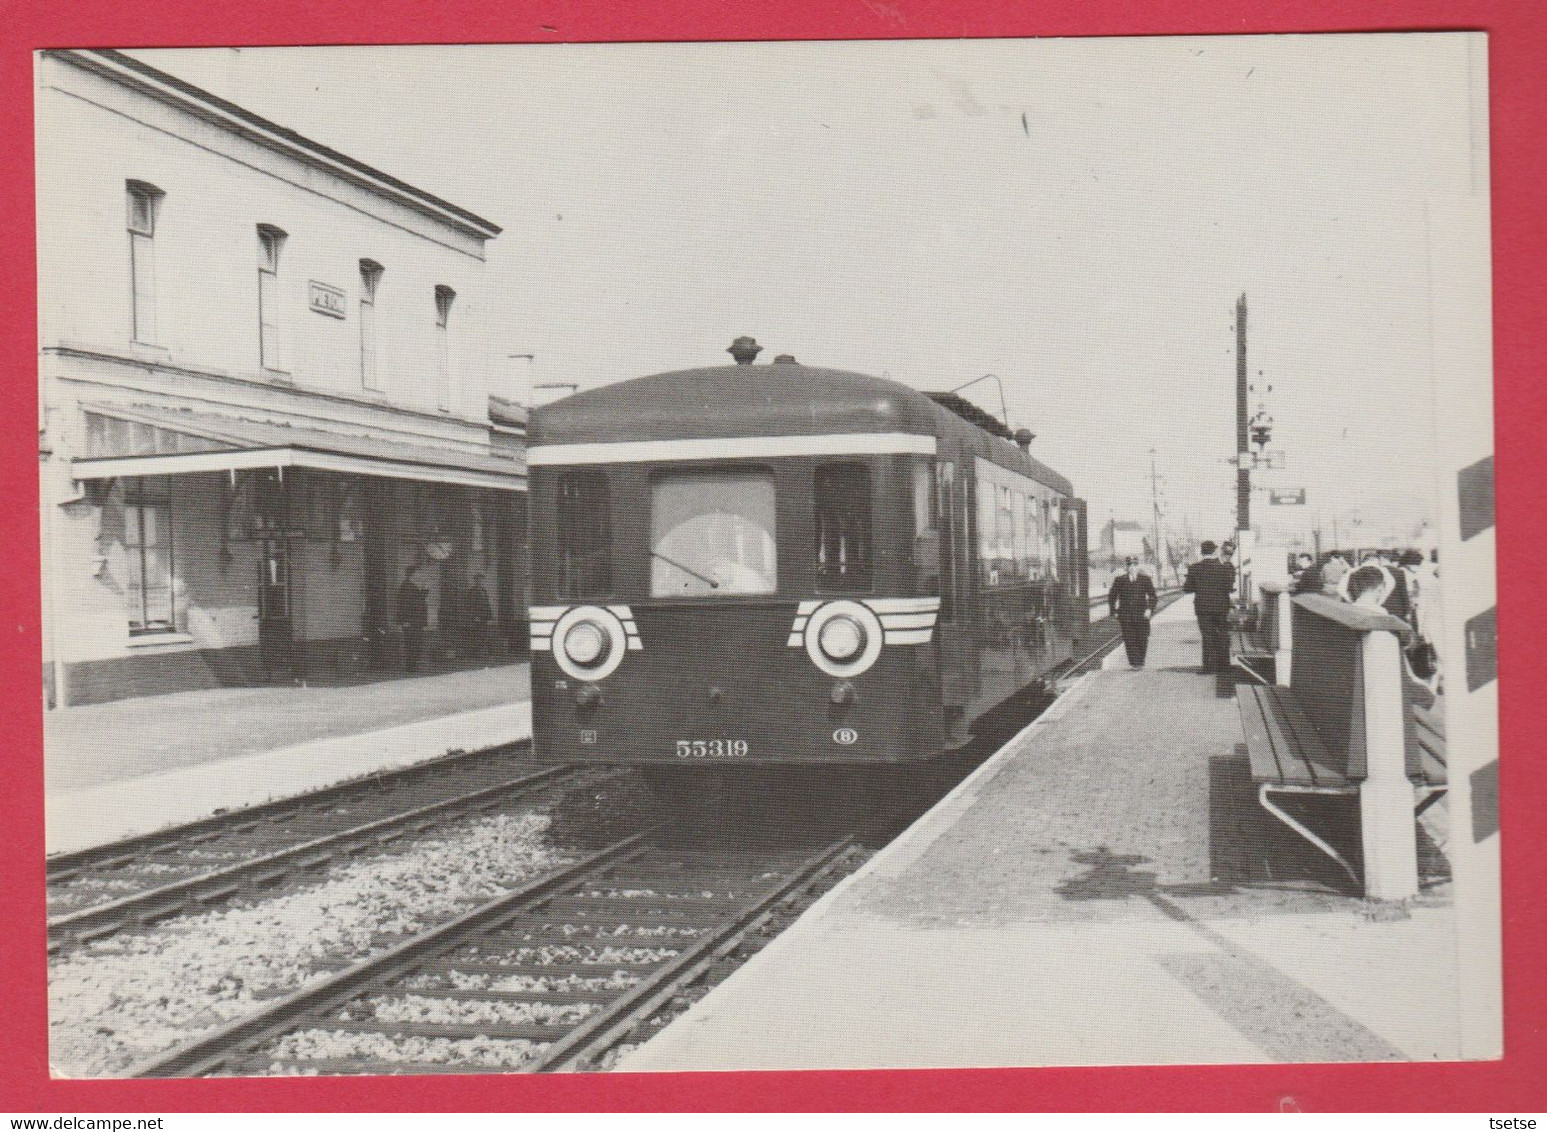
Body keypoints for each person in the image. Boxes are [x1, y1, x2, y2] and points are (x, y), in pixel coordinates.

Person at [1183, 540, 1236, 674]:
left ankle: (1209, 667)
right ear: (1214, 551)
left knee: (1207, 637)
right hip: (1221, 607)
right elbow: (1229, 588)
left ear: (1202, 552)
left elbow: (1187, 589)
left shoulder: (1194, 568)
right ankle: (1224, 667)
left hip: (1203, 608)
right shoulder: (1225, 567)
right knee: (1222, 635)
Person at [1107, 555, 1158, 668]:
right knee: (1129, 639)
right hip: (1126, 615)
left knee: (1142, 638)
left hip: (1142, 615)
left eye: (1134, 565)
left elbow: (1153, 596)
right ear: (1127, 566)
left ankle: (1140, 660)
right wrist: (1113, 611)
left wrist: (1149, 609)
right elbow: (1112, 596)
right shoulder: (1120, 580)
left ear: (1137, 565)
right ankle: (1135, 663)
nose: (1132, 567)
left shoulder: (1145, 579)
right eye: (1129, 565)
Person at [396, 565, 429, 673]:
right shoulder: (406, 586)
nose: (418, 576)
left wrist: (423, 591)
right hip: (411, 621)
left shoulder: (412, 586)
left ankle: (413, 665)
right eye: (417, 574)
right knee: (412, 644)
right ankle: (410, 667)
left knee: (416, 643)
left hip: (416, 621)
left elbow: (418, 603)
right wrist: (404, 621)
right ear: (412, 574)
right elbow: (403, 604)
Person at [464, 573, 495, 661]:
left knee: (484, 634)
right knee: (476, 634)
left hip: (484, 616)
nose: (479, 581)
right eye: (478, 580)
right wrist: (474, 616)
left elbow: (487, 604)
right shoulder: (472, 591)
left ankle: (483, 653)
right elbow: (470, 605)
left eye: (481, 580)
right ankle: (476, 654)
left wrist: (490, 617)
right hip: (477, 617)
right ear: (475, 580)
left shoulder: (484, 590)